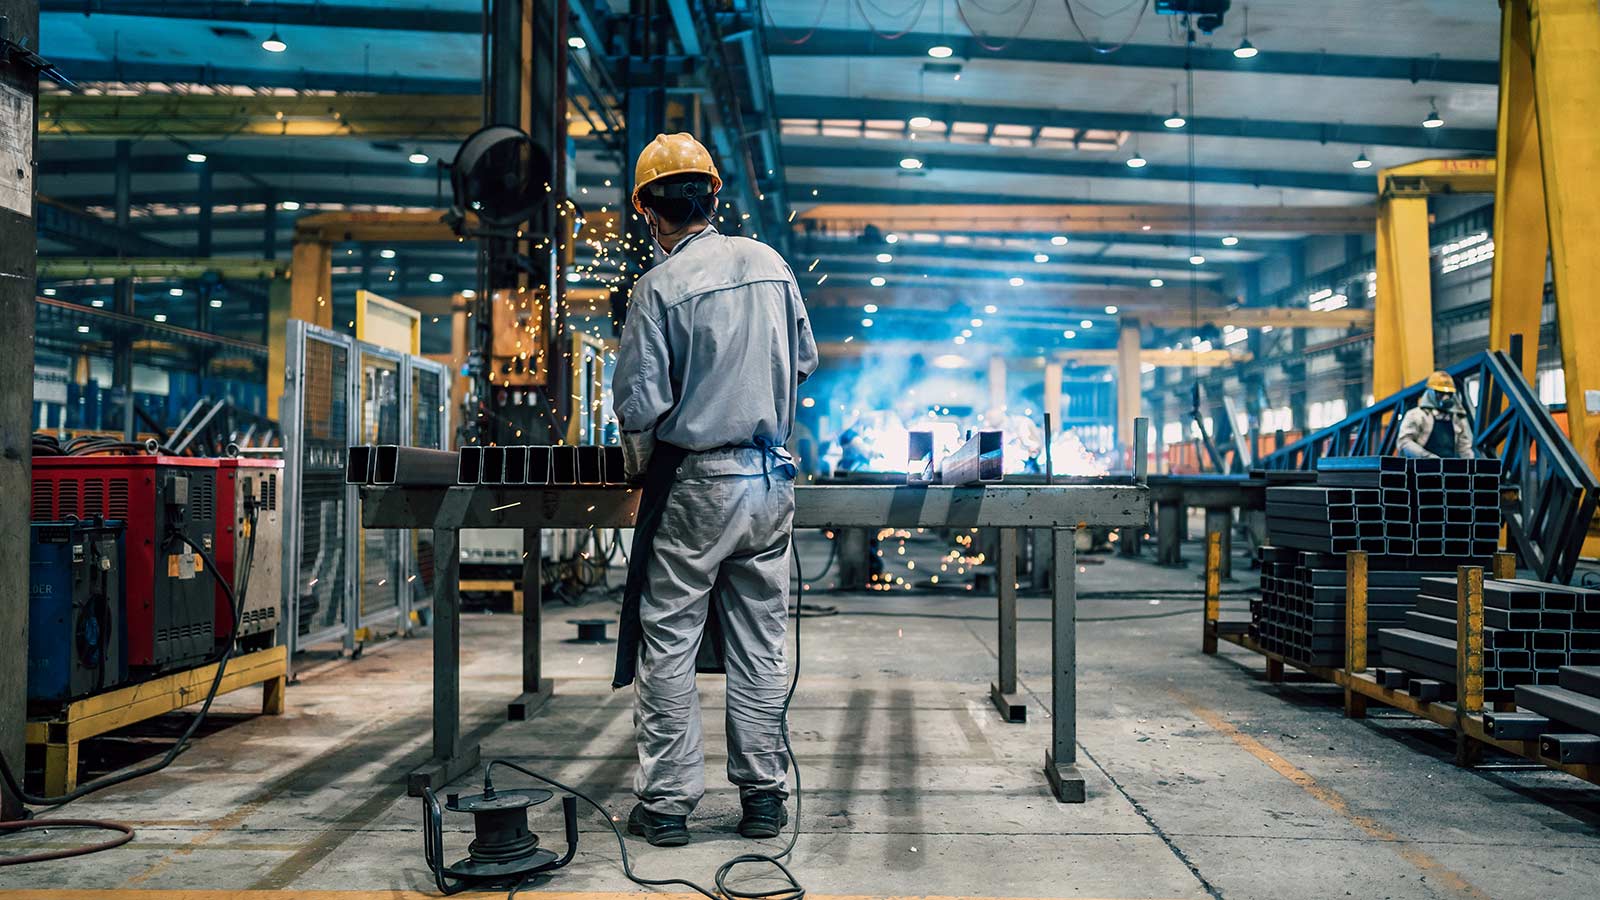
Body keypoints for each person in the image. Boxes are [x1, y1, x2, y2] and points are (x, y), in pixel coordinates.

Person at [611, 132, 819, 848]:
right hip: (769, 479)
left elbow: (640, 406)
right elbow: (804, 361)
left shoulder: (657, 287)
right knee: (760, 641)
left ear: (646, 210)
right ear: (715, 196)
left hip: (696, 486)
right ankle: (763, 799)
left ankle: (667, 806)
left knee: (668, 639)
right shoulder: (769, 263)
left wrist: (642, 466)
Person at [1396, 370, 1474, 459]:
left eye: (1449, 394)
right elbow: (1404, 442)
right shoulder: (1416, 415)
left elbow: (1464, 448)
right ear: (1431, 392)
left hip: (1447, 469)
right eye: (1440, 393)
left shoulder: (1456, 419)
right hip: (1422, 469)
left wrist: (1472, 467)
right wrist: (1426, 456)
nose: (1445, 397)